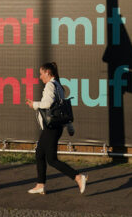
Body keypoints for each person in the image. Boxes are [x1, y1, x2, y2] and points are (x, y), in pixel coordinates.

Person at [25, 62, 88, 195]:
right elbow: (62, 109)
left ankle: (78, 177)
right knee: (39, 154)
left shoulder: (50, 85)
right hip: (55, 127)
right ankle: (40, 185)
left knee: (51, 159)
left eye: (41, 73)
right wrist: (69, 126)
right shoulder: (59, 86)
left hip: (51, 128)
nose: (40, 76)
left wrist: (34, 105)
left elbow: (47, 104)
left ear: (48, 72)